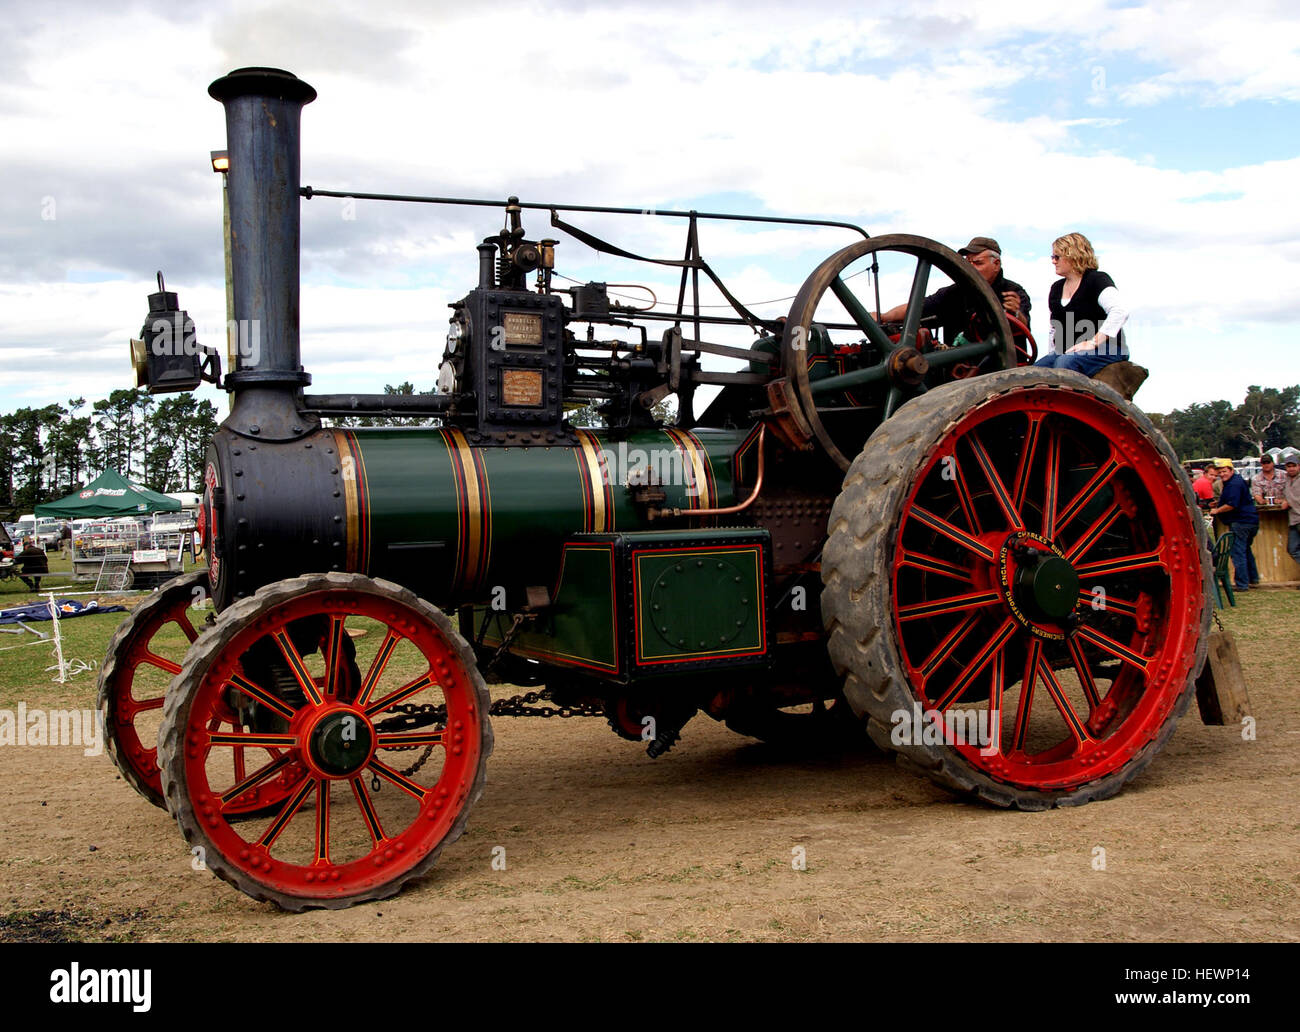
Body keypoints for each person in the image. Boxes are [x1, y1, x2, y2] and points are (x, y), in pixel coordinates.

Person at [876, 236, 1030, 344]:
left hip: (999, 369)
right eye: (967, 263)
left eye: (977, 263)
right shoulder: (952, 293)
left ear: (996, 264)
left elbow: (1024, 325)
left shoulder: (1013, 292)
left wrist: (1016, 314)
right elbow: (918, 307)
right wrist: (884, 317)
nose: (970, 268)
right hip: (957, 373)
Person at [1034, 232, 1130, 375]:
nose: (1053, 261)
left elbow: (1120, 311)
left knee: (1065, 362)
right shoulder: (1056, 288)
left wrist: (1092, 342)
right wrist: (1051, 355)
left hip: (1106, 348)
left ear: (1073, 256)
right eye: (1052, 257)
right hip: (1067, 350)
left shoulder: (1097, 280)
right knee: (1031, 373)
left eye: (1057, 257)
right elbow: (1053, 328)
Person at [1209, 458, 1259, 591]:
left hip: (1241, 522)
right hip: (1250, 520)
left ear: (1231, 470)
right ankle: (1253, 578)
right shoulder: (1235, 481)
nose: (1222, 474)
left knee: (1238, 553)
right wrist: (1219, 503)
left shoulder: (1233, 484)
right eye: (1219, 472)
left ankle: (1242, 584)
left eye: (1224, 471)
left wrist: (1217, 510)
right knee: (1246, 550)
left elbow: (1232, 505)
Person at [1282, 456, 1300, 586]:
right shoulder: (1287, 480)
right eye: (1289, 466)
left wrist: (1289, 502)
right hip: (1294, 519)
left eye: (1294, 466)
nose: (1291, 468)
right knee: (1292, 549)